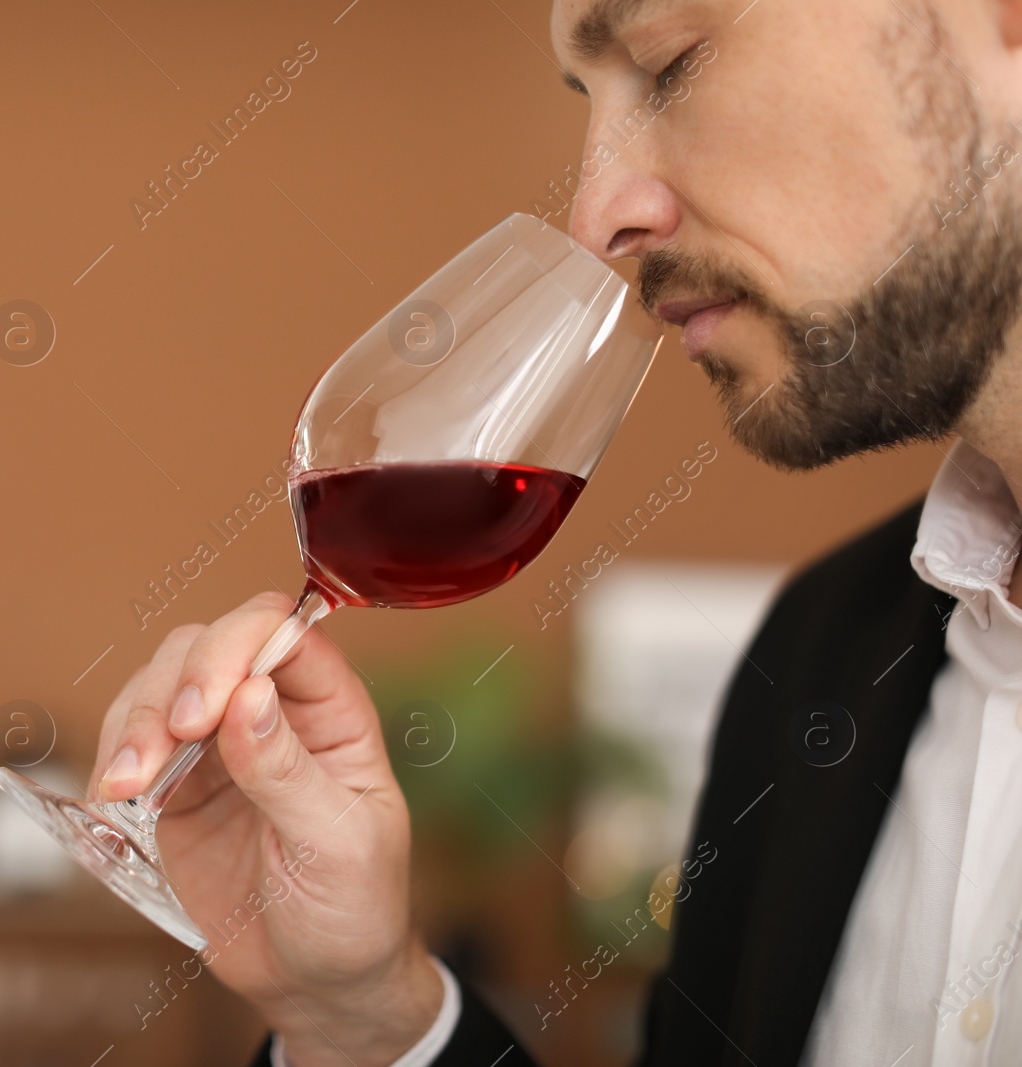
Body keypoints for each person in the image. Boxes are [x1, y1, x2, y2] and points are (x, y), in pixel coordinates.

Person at [89, 0, 1022, 1062]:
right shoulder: (819, 654)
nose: (595, 219)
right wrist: (359, 1012)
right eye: (590, 102)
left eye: (669, 66)